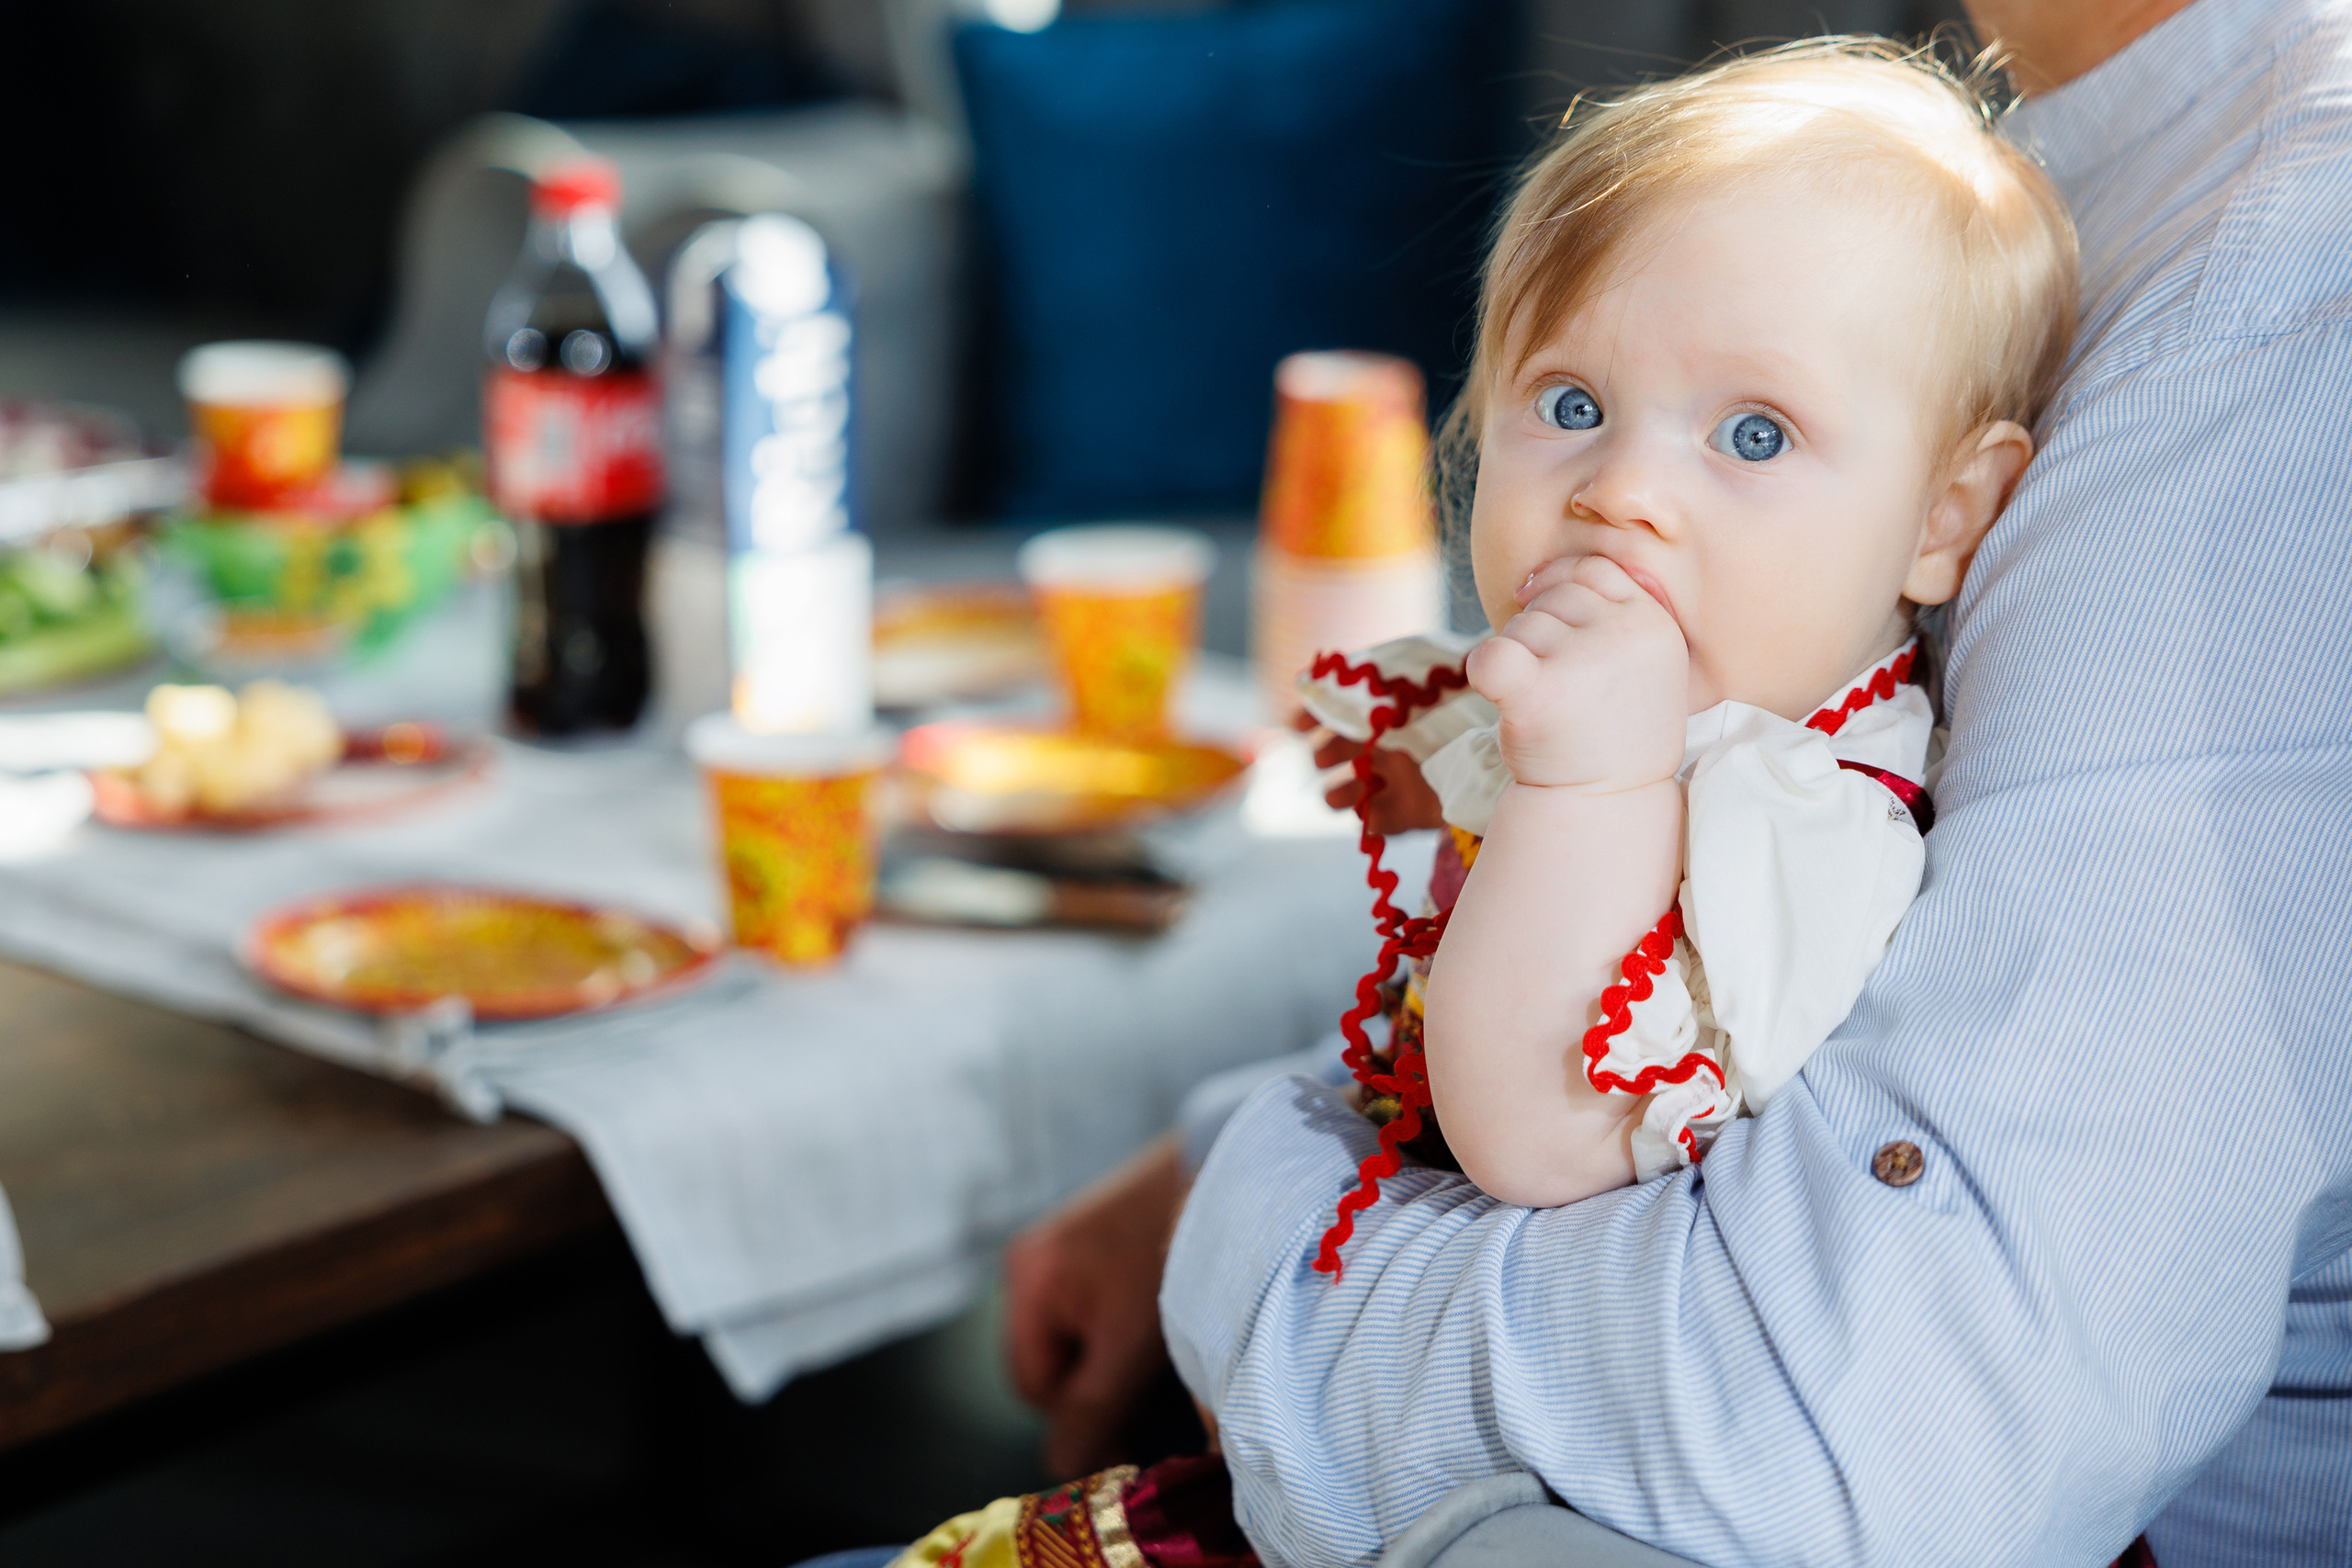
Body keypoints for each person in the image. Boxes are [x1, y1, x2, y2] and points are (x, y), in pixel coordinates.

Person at [1016, 0, 2352, 1563]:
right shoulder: (2071, 192)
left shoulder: (2270, 317)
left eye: (1754, 433)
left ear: (1957, 514)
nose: (1624, 491)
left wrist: (1245, 1208)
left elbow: (1782, 1381)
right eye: (1570, 407)